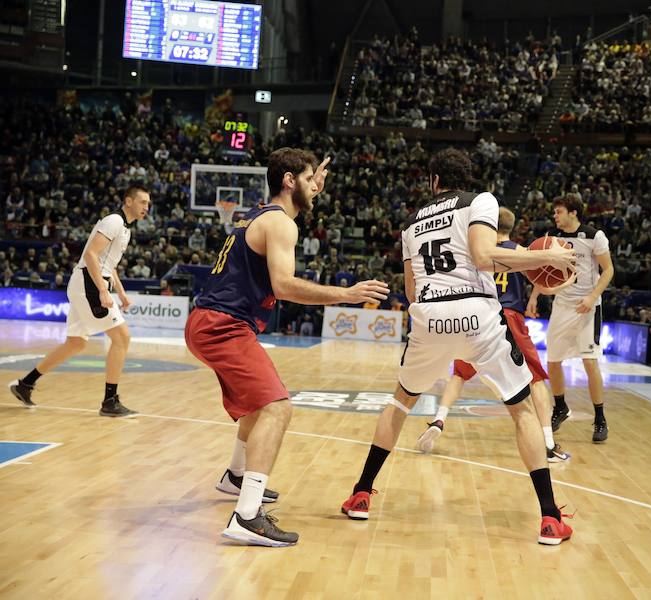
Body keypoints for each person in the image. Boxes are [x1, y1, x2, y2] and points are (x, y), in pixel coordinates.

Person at [340, 149, 578, 545]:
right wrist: (545, 256)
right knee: (521, 409)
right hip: (476, 314)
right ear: (465, 179)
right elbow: (484, 257)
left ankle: (361, 494)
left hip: (429, 315)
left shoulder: (411, 222)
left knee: (399, 403)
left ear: (434, 180)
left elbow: (411, 289)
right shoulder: (479, 201)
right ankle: (550, 518)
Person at [184, 149, 388, 547]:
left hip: (209, 321)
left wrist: (312, 189)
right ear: (289, 180)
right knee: (278, 407)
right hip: (223, 325)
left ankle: (236, 476)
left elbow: (290, 215)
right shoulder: (279, 223)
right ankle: (247, 516)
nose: (315, 186)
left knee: (257, 407)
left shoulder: (260, 215)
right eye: (309, 179)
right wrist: (345, 294)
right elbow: (284, 286)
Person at [414, 207, 573, 462]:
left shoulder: (476, 249)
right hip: (509, 316)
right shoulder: (519, 251)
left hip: (479, 317)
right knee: (534, 379)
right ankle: (548, 443)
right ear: (512, 227)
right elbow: (543, 285)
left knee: (459, 374)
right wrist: (566, 282)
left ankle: (439, 420)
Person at [9, 186, 151, 417]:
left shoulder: (125, 229)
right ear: (128, 201)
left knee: (75, 343)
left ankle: (25, 384)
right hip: (89, 283)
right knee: (122, 337)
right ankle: (110, 401)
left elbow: (109, 265)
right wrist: (102, 290)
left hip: (88, 283)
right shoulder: (114, 221)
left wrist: (122, 293)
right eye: (142, 202)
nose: (146, 207)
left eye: (148, 203)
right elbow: (90, 255)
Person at [527, 194, 615, 443]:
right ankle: (561, 407)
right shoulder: (552, 239)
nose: (555, 215)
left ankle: (600, 418)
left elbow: (608, 270)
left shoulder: (594, 236)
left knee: (589, 362)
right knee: (553, 361)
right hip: (562, 305)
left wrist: (592, 297)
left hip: (587, 307)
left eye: (559, 211)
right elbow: (543, 270)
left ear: (573, 213)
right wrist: (534, 297)